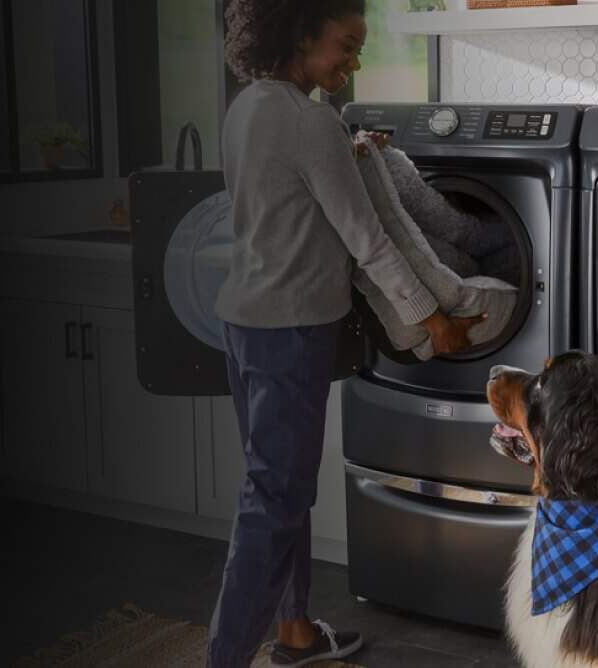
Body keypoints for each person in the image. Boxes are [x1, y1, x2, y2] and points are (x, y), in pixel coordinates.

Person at [204, 0, 496, 666]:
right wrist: (433, 319)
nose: (355, 61)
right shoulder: (311, 123)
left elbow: (286, 199)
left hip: (244, 322)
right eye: (346, 44)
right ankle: (224, 657)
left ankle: (296, 632)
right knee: (275, 498)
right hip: (290, 330)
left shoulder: (249, 107)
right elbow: (367, 240)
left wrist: (354, 151)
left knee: (278, 487)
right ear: (300, 36)